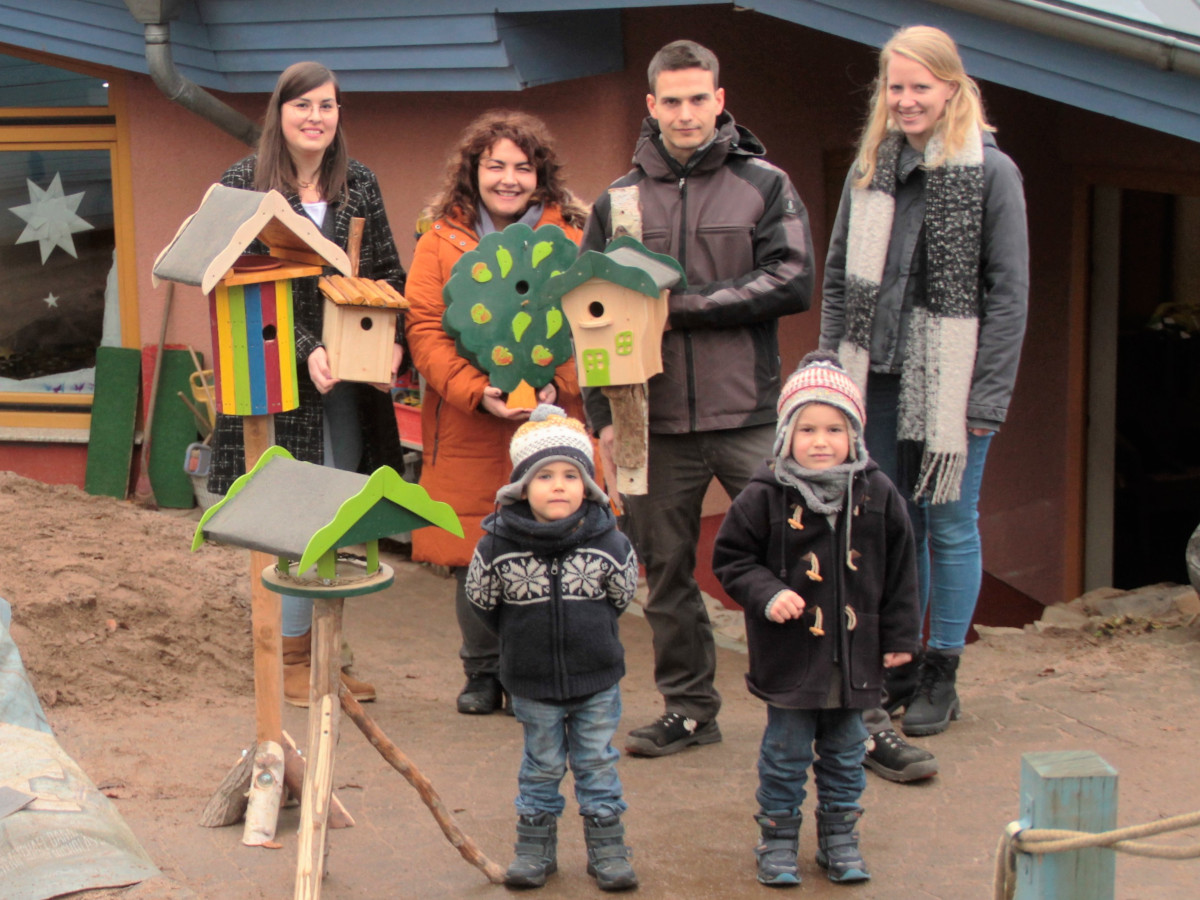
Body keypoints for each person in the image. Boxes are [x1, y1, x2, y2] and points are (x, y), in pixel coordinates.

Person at [581, 39, 814, 756]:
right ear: (651, 106)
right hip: (647, 418)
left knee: (802, 552)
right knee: (666, 574)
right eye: (671, 102)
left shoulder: (764, 185)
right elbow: (590, 315)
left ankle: (832, 702)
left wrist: (679, 305)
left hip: (747, 413)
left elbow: (793, 279)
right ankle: (689, 709)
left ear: (720, 101)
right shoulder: (617, 203)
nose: (686, 114)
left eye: (698, 100)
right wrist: (603, 419)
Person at [820, 25, 1029, 755]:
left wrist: (987, 400)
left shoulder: (990, 173)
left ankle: (942, 668)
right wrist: (828, 372)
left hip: (952, 385)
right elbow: (842, 271)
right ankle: (898, 660)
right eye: (896, 87)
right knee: (888, 519)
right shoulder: (868, 168)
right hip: (870, 374)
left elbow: (1009, 294)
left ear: (951, 88)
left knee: (948, 521)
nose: (907, 100)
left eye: (920, 87)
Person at [208, 61, 407, 706]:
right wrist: (305, 349)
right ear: (279, 113)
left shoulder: (361, 184)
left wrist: (390, 336)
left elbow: (386, 271)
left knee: (343, 502)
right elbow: (243, 287)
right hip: (277, 379)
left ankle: (327, 653)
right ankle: (290, 655)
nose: (315, 117)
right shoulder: (244, 183)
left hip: (353, 377)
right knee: (295, 509)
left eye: (327, 105)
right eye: (302, 106)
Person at [405, 110, 590, 715]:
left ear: (540, 174)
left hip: (549, 421)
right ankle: (482, 672)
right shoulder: (440, 239)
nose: (508, 179)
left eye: (521, 166)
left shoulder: (575, 235)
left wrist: (554, 389)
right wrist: (473, 389)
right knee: (473, 550)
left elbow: (589, 322)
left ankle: (534, 669)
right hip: (465, 421)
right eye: (495, 167)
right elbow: (425, 328)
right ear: (473, 171)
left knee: (548, 545)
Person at [712, 351, 921, 886]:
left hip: (858, 659)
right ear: (786, 435)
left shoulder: (877, 494)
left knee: (847, 755)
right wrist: (767, 592)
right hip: (791, 658)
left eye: (834, 428)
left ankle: (840, 840)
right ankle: (777, 840)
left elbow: (901, 570)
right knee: (784, 755)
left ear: (854, 434)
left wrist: (900, 637)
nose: (821, 440)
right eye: (807, 429)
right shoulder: (765, 494)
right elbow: (732, 559)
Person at [465, 405, 639, 891]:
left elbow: (620, 595)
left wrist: (592, 633)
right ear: (522, 486)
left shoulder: (609, 540)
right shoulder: (497, 543)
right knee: (540, 767)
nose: (558, 485)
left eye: (570, 475)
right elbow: (482, 601)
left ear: (588, 483)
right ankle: (534, 850)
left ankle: (608, 850)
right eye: (544, 476)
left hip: (597, 679)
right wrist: (520, 640)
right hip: (532, 682)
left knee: (597, 764)